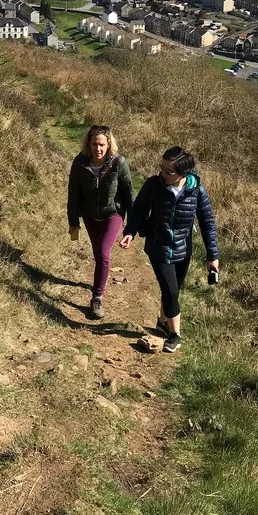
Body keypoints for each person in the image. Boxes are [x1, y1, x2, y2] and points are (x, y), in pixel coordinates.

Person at [120, 146, 218, 353]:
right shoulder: (153, 185)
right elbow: (138, 210)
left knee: (173, 291)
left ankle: (162, 323)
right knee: (171, 292)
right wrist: (130, 232)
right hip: (158, 246)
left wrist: (212, 256)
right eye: (162, 168)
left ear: (184, 173)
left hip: (183, 249)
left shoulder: (197, 190)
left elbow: (207, 222)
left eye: (168, 171)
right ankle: (175, 335)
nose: (162, 173)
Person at [67, 124, 134, 319]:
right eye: (95, 144)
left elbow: (128, 194)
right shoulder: (79, 163)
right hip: (89, 215)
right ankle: (99, 280)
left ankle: (97, 298)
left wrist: (131, 227)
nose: (98, 149)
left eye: (102, 144)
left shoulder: (118, 163)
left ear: (109, 144)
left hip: (112, 214)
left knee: (104, 253)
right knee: (97, 254)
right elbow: (74, 194)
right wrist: (73, 222)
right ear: (89, 144)